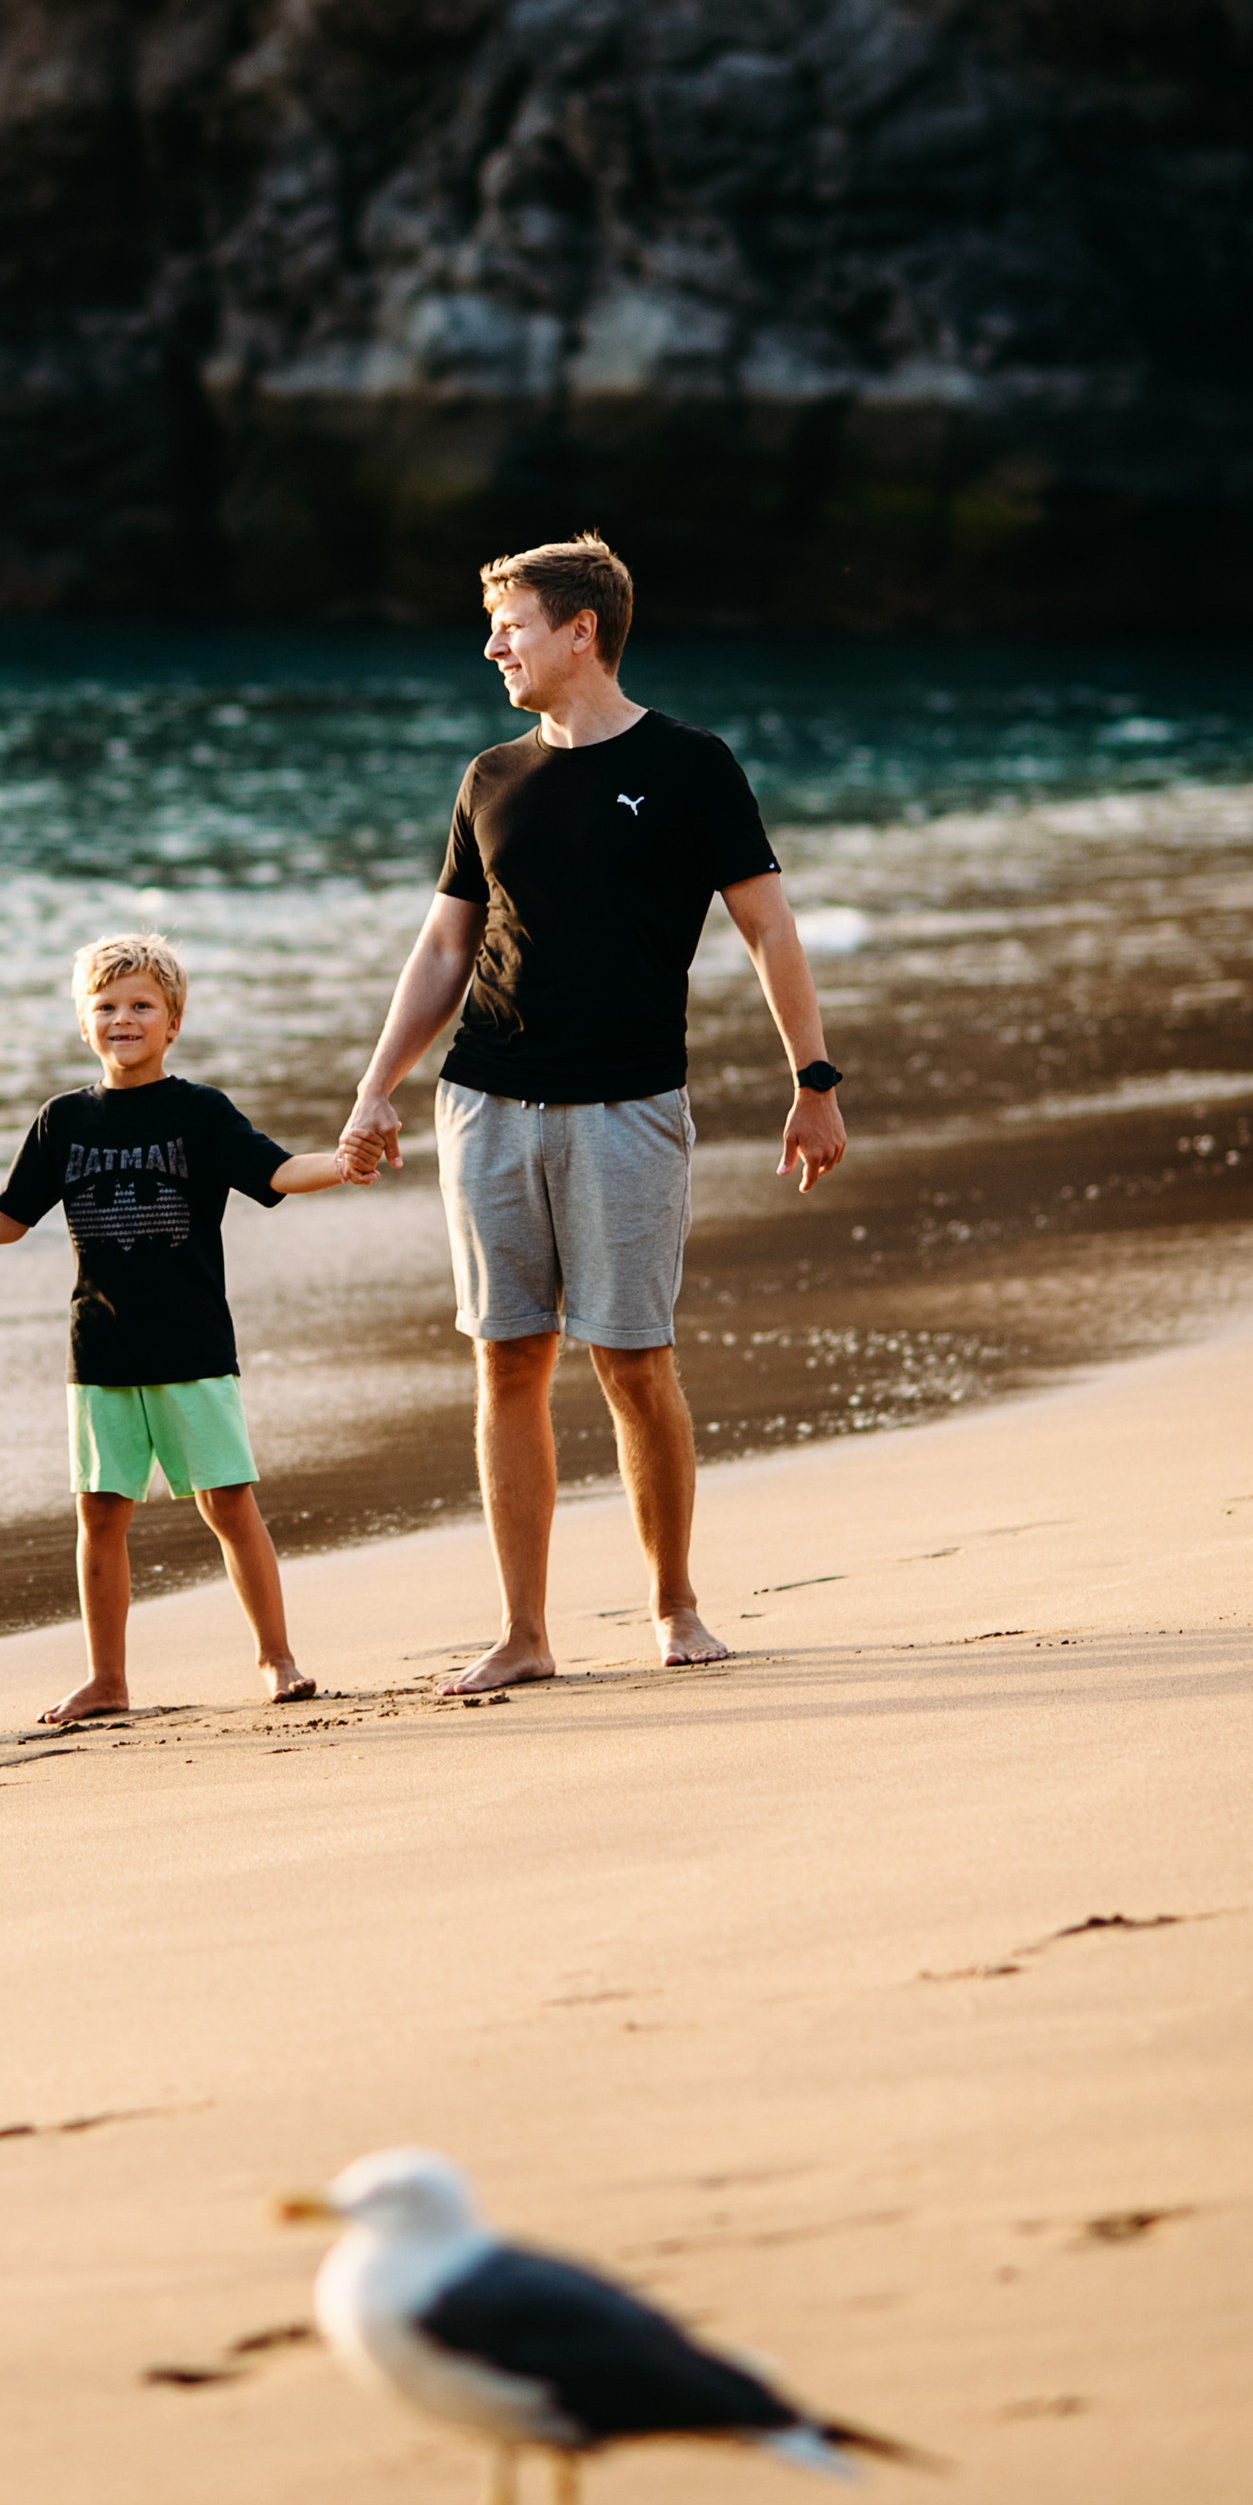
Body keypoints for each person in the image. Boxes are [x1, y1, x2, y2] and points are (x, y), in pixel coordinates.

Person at [340, 534, 846, 1692]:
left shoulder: (690, 765)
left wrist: (812, 1081)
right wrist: (378, 1087)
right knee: (505, 1360)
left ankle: (674, 1606)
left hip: (626, 1106)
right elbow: (444, 947)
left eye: (509, 625)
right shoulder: (490, 776)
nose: (492, 646)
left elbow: (768, 928)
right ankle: (524, 1633)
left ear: (581, 631)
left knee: (630, 1359)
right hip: (487, 1100)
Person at [0, 934, 379, 1725]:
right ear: (84, 1023)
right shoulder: (62, 1121)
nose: (124, 1018)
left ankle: (277, 1657)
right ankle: (107, 1679)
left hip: (192, 1348)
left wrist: (342, 1163)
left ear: (173, 1021)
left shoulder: (199, 1112)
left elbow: (275, 1172)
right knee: (101, 1513)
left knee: (228, 1505)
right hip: (101, 1351)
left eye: (142, 1006)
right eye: (107, 1006)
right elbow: (9, 1220)